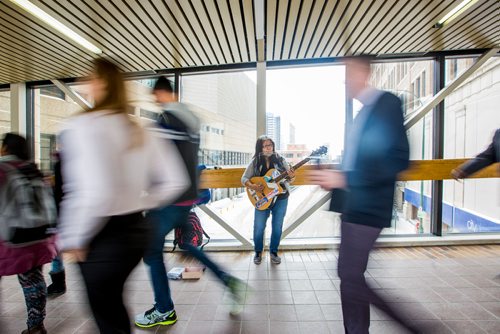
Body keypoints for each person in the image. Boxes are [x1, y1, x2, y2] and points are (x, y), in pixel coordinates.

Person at [57, 59, 189, 334]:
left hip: (100, 235)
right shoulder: (141, 130)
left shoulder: (84, 125)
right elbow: (177, 181)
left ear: (103, 82)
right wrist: (144, 201)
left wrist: (74, 237)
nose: (84, 83)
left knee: (108, 317)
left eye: (88, 77)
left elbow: (93, 192)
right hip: (135, 232)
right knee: (114, 312)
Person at [308, 56, 418, 333]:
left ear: (363, 73)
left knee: (350, 276)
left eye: (348, 73)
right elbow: (364, 158)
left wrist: (345, 177)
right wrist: (336, 177)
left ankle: (413, 326)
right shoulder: (363, 113)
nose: (345, 81)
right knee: (349, 276)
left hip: (369, 206)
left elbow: (397, 159)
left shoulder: (386, 104)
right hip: (354, 205)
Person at [135, 76, 247, 329]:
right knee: (187, 246)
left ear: (162, 94)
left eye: (155, 95)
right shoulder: (190, 121)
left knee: (152, 254)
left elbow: (155, 162)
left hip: (167, 201)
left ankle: (164, 309)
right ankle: (228, 281)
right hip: (186, 199)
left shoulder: (166, 122)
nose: (155, 100)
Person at [0, 132, 57, 334]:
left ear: (5, 148)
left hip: (10, 237)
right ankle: (36, 326)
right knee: (33, 280)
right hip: (37, 235)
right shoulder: (34, 170)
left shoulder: (3, 169)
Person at [241, 135, 295, 265]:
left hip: (281, 198)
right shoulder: (255, 162)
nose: (268, 147)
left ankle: (274, 252)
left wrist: (292, 176)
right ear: (260, 148)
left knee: (277, 227)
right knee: (259, 227)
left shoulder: (281, 160)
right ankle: (258, 252)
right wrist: (253, 186)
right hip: (263, 198)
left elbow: (289, 180)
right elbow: (244, 179)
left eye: (270, 145)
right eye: (265, 145)